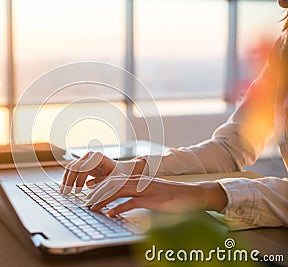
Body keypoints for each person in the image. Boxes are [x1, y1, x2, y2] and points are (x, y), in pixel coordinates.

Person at [60, 0, 288, 228]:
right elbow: (231, 149)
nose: (280, 2)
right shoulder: (282, 50)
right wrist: (127, 169)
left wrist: (203, 194)